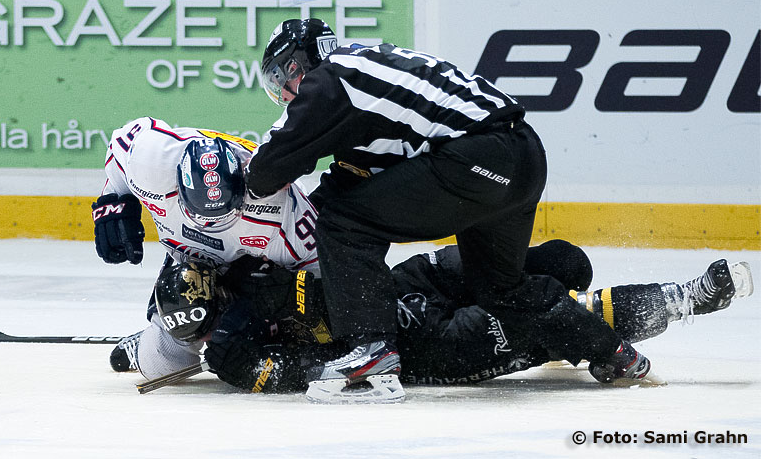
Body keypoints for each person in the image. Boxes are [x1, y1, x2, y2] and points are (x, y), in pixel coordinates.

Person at [246, 18, 631, 400]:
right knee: (499, 288)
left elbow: (268, 169)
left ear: (298, 64)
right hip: (523, 155)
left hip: (476, 159)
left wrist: (244, 192)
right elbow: (359, 175)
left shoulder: (331, 81)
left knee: (344, 224)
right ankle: (613, 353)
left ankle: (372, 352)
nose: (285, 94)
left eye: (283, 79)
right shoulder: (368, 74)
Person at [138, 242, 753, 401]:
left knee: (548, 265)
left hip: (404, 283)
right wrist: (353, 348)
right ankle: (686, 298)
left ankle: (610, 321)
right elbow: (303, 373)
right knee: (545, 316)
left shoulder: (238, 274)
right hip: (411, 345)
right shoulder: (228, 353)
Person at [91, 116, 320, 376]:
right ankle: (154, 336)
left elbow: (324, 281)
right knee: (161, 367)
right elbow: (122, 141)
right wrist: (113, 200)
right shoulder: (154, 162)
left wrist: (285, 301)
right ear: (178, 188)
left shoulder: (282, 213)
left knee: (269, 346)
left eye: (224, 216)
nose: (210, 227)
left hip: (259, 276)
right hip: (190, 258)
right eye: (202, 218)